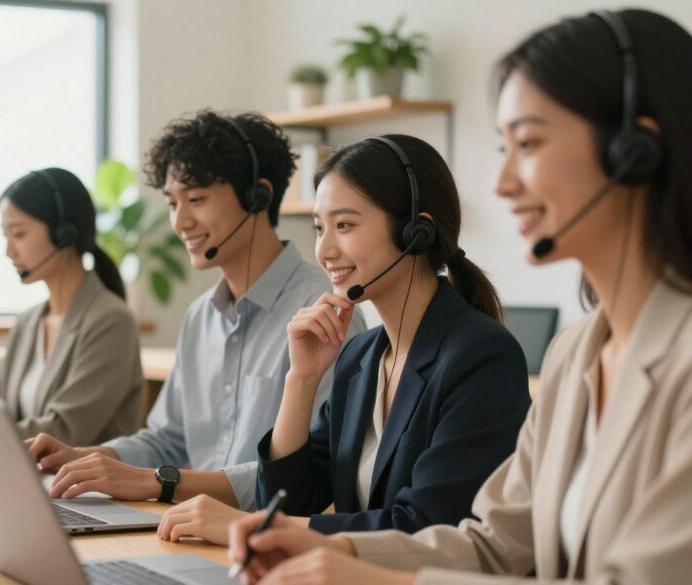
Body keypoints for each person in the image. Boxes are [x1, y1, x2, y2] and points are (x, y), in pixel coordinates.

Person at [227, 9, 692, 585]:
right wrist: (328, 552)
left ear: (633, 152)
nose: (502, 185)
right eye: (504, 149)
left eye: (529, 142)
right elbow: (495, 545)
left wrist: (374, 576)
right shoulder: (575, 356)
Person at [157, 135, 530, 545]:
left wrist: (247, 525)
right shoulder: (361, 357)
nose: (324, 249)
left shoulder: (481, 358)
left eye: (345, 225)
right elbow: (289, 503)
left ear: (415, 232)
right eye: (320, 228)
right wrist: (301, 380)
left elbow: (425, 528)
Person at [26, 110, 367, 511]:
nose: (180, 221)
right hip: (191, 526)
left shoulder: (325, 313)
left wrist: (159, 483)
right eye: (173, 203)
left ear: (258, 196)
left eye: (197, 199)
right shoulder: (200, 316)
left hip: (263, 539)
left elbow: (306, 473)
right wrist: (85, 458)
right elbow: (168, 438)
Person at [0, 167, 143, 445]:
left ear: (64, 234)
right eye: (5, 235)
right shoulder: (29, 322)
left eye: (18, 234)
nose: (9, 251)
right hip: (20, 475)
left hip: (84, 487)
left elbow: (65, 430)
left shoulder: (111, 320)